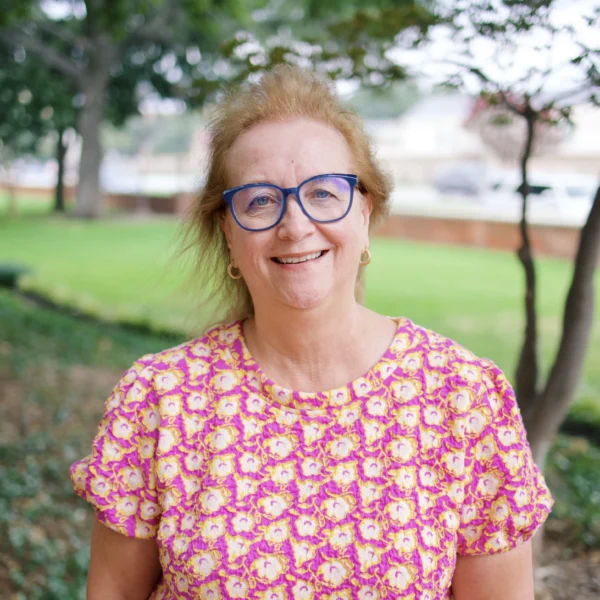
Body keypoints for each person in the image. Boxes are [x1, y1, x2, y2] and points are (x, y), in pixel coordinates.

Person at [70, 65, 553, 600]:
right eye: (260, 200)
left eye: (323, 193)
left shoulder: (463, 398)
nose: (295, 225)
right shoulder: (159, 398)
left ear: (364, 211)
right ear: (228, 231)